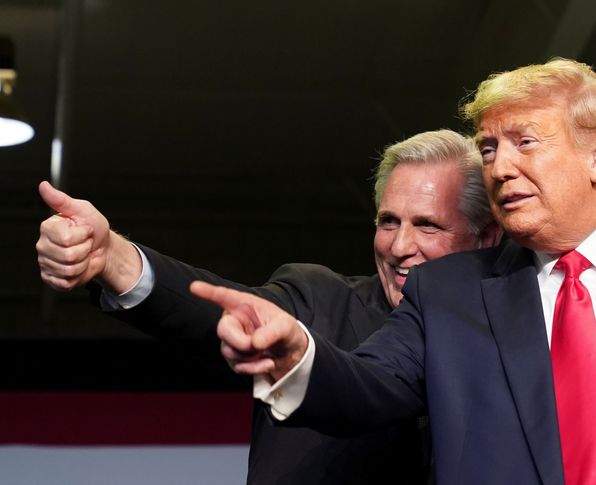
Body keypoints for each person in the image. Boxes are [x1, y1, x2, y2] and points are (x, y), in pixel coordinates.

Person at [193, 58, 596, 485]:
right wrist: (299, 353)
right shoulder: (449, 293)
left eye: (524, 142)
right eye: (488, 148)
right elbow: (367, 388)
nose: (500, 166)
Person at [36, 129, 501, 485]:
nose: (400, 246)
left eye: (428, 225)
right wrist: (113, 259)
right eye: (388, 221)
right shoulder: (318, 300)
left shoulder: (521, 340)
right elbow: (229, 315)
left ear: (486, 237)